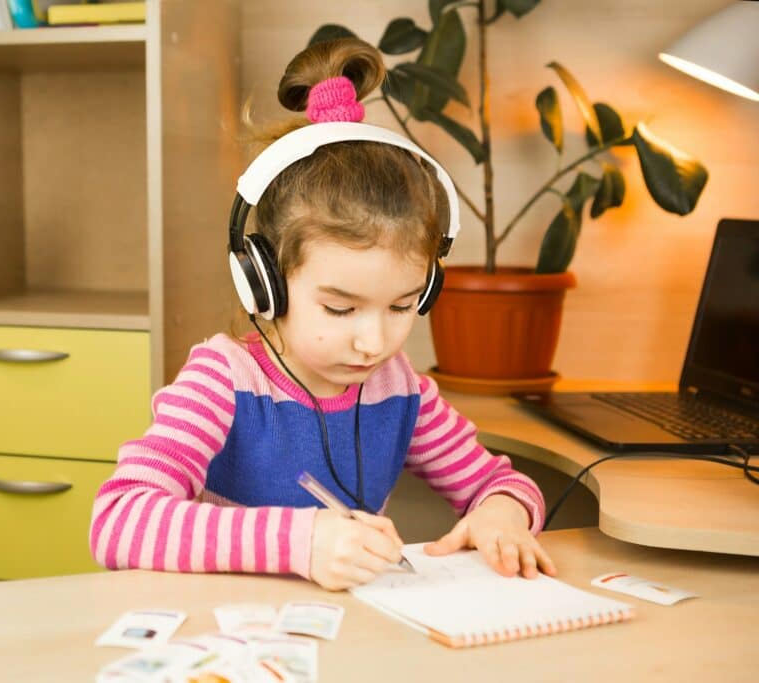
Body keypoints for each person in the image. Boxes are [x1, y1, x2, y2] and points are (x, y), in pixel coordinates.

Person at [90, 38, 557, 591]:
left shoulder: (398, 388)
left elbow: (500, 482)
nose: (373, 342)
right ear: (264, 280)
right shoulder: (222, 381)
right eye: (340, 307)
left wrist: (503, 512)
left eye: (403, 305)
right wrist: (301, 541)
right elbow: (118, 520)